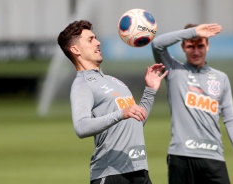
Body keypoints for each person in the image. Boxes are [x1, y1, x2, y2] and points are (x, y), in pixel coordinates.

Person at [57, 20, 168, 184]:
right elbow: (81, 127)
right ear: (75, 49)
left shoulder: (114, 81)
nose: (98, 42)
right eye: (90, 39)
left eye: (96, 38)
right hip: (111, 174)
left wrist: (150, 91)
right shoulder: (82, 84)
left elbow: (136, 120)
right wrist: (121, 113)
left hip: (139, 171)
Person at [151, 23, 233, 184]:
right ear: (182, 46)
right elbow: (157, 44)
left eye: (200, 45)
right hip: (181, 156)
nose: (196, 51)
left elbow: (230, 119)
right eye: (190, 46)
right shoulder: (174, 70)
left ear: (207, 46)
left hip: (213, 157)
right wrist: (194, 32)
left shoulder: (221, 78)